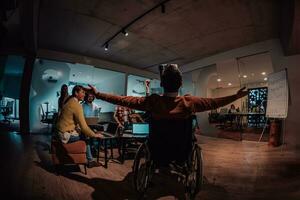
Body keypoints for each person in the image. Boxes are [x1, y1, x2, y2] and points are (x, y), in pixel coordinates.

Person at [55, 85, 103, 168]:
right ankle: (90, 161)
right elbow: (84, 127)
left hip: (60, 132)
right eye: (83, 92)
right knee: (86, 136)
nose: (85, 95)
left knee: (84, 133)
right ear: (76, 93)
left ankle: (90, 159)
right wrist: (95, 135)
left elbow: (73, 121)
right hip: (64, 135)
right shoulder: (77, 105)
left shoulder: (70, 101)